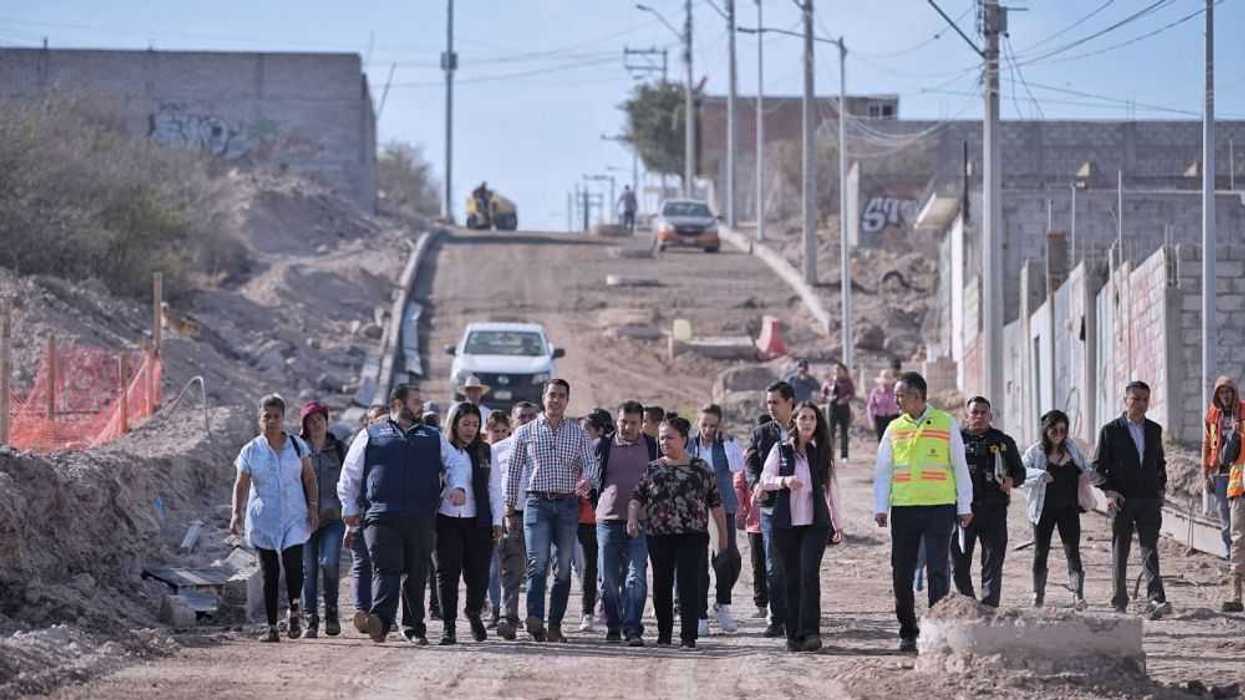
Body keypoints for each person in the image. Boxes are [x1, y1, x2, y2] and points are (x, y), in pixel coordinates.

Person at [337, 384, 470, 645]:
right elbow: (350, 473)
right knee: (387, 567)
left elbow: (453, 463)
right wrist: (349, 508)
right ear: (397, 404)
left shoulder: (432, 436)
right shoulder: (371, 434)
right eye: (415, 400)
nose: (421, 405)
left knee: (416, 572)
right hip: (380, 514)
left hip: (420, 516)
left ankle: (413, 628)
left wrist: (457, 487)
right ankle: (381, 622)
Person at [872, 372, 973, 652]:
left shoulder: (946, 423)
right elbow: (883, 471)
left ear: (918, 396)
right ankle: (907, 630)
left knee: (939, 570)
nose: (896, 400)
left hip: (940, 507)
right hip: (904, 509)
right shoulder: (893, 428)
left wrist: (964, 505)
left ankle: (936, 629)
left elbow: (959, 467)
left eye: (900, 395)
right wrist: (881, 507)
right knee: (901, 572)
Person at [504, 379, 600, 643]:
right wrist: (509, 509)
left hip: (568, 505)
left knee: (564, 568)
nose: (555, 400)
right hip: (536, 503)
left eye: (561, 396)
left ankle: (555, 624)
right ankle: (535, 619)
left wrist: (587, 479)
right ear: (543, 398)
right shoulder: (525, 432)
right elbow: (512, 473)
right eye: (551, 395)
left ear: (567, 400)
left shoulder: (578, 433)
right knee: (537, 563)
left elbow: (592, 464)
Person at [628, 415, 728, 650]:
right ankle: (664, 636)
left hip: (692, 536)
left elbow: (716, 504)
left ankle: (688, 637)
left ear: (684, 439)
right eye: (661, 438)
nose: (665, 442)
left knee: (688, 585)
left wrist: (723, 537)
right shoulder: (653, 469)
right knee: (661, 586)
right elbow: (636, 497)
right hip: (659, 536)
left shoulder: (700, 469)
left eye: (670, 438)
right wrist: (632, 518)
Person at [229, 394, 319, 642]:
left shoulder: (298, 446)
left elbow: (309, 478)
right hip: (263, 518)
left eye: (276, 416)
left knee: (293, 566)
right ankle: (271, 627)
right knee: (269, 572)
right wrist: (236, 512)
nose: (271, 421)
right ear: (260, 419)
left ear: (283, 418)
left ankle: (294, 609)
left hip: (294, 515)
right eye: (266, 416)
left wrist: (313, 507)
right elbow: (241, 484)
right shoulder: (251, 450)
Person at [761, 401, 843, 652]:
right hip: (786, 525)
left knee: (809, 575)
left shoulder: (821, 452)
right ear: (795, 421)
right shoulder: (781, 450)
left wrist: (837, 523)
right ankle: (793, 633)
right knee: (791, 578)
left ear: (817, 424)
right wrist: (785, 481)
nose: (808, 422)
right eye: (803, 418)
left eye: (813, 418)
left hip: (814, 525)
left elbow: (831, 490)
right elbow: (765, 480)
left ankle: (811, 632)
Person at [1093, 381, 1171, 618]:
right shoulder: (1110, 430)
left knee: (1150, 549)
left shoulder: (1154, 430)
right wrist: (1109, 491)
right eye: (1135, 398)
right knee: (1121, 549)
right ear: (1125, 400)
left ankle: (1156, 599)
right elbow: (1097, 467)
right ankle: (1119, 600)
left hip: (1148, 499)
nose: (1140, 404)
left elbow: (1159, 463)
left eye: (1145, 399)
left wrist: (1160, 489)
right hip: (1122, 500)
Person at [435, 402, 505, 644]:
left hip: (478, 521)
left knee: (478, 576)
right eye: (465, 424)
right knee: (448, 574)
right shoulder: (442, 450)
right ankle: (449, 626)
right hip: (446, 521)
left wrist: (497, 521)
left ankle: (474, 611)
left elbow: (495, 488)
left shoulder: (485, 452)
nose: (470, 429)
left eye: (475, 425)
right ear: (454, 424)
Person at [950, 397, 1025, 608]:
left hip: (994, 510)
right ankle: (970, 604)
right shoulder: (956, 440)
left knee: (993, 561)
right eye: (975, 412)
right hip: (964, 511)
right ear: (967, 415)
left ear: (990, 416)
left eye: (984, 413)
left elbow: (1020, 472)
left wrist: (1011, 480)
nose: (979, 417)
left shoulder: (1002, 442)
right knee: (959, 562)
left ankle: (990, 607)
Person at [595, 401, 659, 645]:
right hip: (608, 521)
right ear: (616, 421)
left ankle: (633, 628)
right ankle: (613, 624)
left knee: (636, 577)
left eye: (633, 423)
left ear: (642, 424)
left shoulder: (652, 447)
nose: (627, 427)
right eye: (623, 421)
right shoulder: (603, 445)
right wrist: (598, 504)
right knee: (608, 579)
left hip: (642, 522)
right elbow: (593, 480)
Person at [1021, 409, 1092, 609]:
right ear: (1045, 429)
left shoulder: (1072, 449)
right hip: (1043, 510)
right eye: (1054, 429)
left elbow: (1086, 467)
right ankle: (1038, 594)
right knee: (1040, 551)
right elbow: (1020, 472)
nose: (1058, 434)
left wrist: (1090, 475)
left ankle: (1078, 595)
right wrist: (1040, 475)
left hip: (1068, 509)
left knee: (1073, 551)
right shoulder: (1035, 452)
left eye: (1062, 430)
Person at [687, 404, 745, 635]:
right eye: (704, 425)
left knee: (726, 559)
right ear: (697, 423)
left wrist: (729, 441)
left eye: (713, 425)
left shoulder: (728, 444)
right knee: (699, 563)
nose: (708, 430)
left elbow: (738, 466)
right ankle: (700, 614)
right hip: (695, 510)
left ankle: (723, 604)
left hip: (723, 508)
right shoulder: (689, 445)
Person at [745, 381, 796, 638]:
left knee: (798, 565)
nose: (771, 407)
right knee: (773, 566)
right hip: (771, 508)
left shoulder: (806, 429)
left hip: (801, 507)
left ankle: (800, 616)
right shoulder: (761, 433)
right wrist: (756, 485)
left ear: (790, 402)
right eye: (768, 403)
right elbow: (751, 465)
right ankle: (776, 619)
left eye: (776, 402)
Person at [298, 401, 348, 638]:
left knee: (329, 563)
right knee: (309, 569)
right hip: (305, 520)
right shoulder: (298, 449)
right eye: (311, 420)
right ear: (305, 425)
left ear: (327, 422)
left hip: (333, 519)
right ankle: (311, 619)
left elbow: (351, 479)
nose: (316, 424)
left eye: (320, 420)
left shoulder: (338, 448)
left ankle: (331, 613)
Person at [494, 401, 540, 639]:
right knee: (511, 570)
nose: (527, 420)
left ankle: (536, 618)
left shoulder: (545, 448)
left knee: (536, 570)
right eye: (522, 417)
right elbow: (493, 486)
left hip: (540, 514)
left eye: (532, 416)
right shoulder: (498, 449)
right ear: (512, 421)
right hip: (511, 515)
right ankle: (508, 617)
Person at [1203, 377, 1245, 612]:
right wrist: (1206, 472)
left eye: (1230, 392)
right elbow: (1209, 445)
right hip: (1233, 481)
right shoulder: (1213, 416)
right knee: (1231, 530)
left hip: (1237, 479)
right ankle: (1235, 587)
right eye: (1222, 392)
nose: (1226, 396)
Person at [347, 405, 390, 634]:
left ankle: (379, 613)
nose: (380, 425)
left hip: (384, 514)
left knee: (383, 565)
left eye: (385, 420)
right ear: (368, 423)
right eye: (376, 420)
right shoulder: (360, 445)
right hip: (361, 513)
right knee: (361, 562)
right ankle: (361, 611)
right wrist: (349, 515)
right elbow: (350, 481)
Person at [575, 409, 613, 632]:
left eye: (587, 430)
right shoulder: (578, 453)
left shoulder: (610, 451)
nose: (583, 434)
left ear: (599, 431)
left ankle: (609, 608)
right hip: (585, 518)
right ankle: (587, 612)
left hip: (609, 516)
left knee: (608, 566)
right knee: (589, 566)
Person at [483, 411, 513, 627]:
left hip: (509, 514)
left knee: (509, 566)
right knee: (492, 567)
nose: (500, 435)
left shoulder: (511, 452)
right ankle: (494, 608)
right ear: (487, 431)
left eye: (504, 431)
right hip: (489, 516)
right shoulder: (482, 454)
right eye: (496, 431)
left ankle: (508, 610)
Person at [734, 466, 767, 619]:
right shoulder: (747, 458)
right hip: (755, 523)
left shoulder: (783, 453)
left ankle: (778, 603)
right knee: (758, 565)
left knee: (777, 565)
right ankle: (761, 604)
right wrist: (740, 509)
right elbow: (739, 485)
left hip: (779, 521)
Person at [820, 361, 855, 462]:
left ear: (844, 371)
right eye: (835, 369)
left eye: (839, 369)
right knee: (831, 431)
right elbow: (823, 393)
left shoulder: (847, 382)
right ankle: (830, 454)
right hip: (831, 407)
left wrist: (844, 399)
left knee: (844, 431)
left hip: (843, 407)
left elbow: (851, 393)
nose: (837, 371)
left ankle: (844, 455)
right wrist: (827, 398)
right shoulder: (829, 381)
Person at [865, 369, 901, 443]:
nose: (886, 384)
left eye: (888, 382)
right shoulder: (875, 392)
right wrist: (871, 420)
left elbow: (902, 405)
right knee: (881, 441)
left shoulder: (896, 392)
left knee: (893, 441)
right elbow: (870, 407)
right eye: (884, 382)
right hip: (880, 419)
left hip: (893, 418)